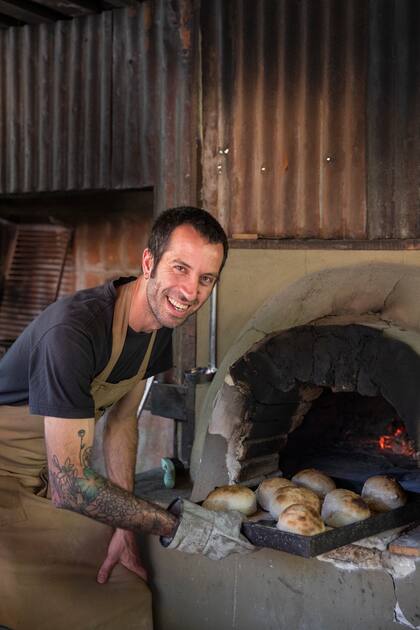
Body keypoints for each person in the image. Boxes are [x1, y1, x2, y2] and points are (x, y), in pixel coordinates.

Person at [0, 207, 253, 630]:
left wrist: (125, 529)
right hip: (14, 484)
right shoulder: (73, 334)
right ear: (149, 262)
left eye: (205, 279)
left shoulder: (158, 327)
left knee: (124, 590)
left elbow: (121, 422)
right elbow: (72, 486)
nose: (190, 292)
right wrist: (180, 525)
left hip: (41, 482)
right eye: (180, 269)